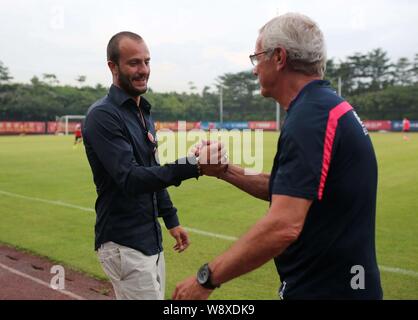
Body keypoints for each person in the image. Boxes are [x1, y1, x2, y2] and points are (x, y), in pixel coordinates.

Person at [173, 13, 383, 300]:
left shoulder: (310, 118)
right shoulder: (323, 108)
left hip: (326, 291)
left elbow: (283, 225)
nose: (254, 69)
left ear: (279, 57)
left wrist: (205, 279)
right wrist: (223, 170)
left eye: (257, 57)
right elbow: (291, 189)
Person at [83, 31, 226, 300]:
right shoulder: (103, 115)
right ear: (112, 67)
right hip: (124, 243)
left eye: (147, 62)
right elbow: (132, 179)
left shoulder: (142, 112)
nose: (144, 70)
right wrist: (194, 165)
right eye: (134, 63)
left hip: (149, 240)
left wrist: (171, 219)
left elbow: (152, 170)